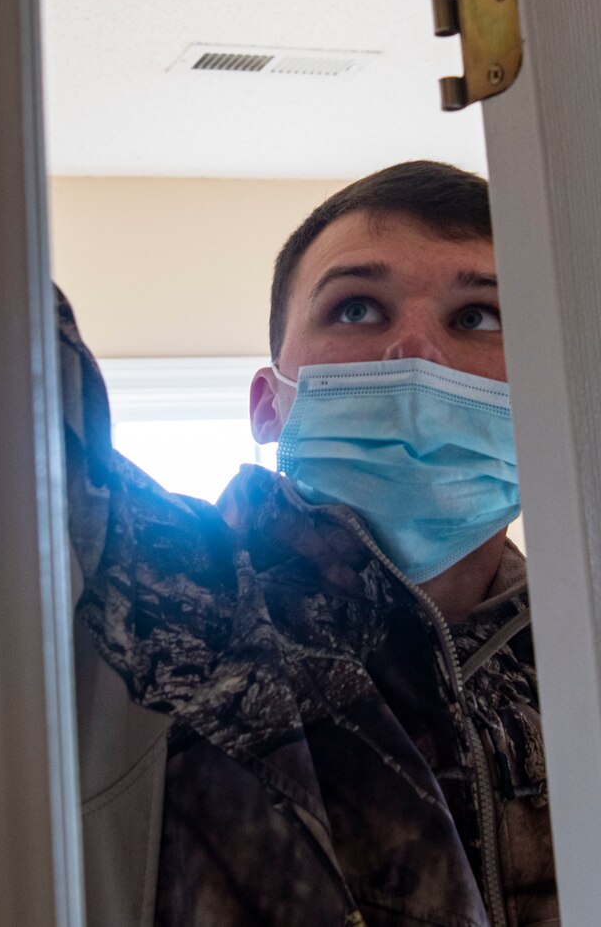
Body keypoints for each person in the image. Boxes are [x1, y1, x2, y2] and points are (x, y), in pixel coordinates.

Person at [62, 161, 556, 926]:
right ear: (268, 406)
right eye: (357, 308)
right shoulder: (160, 608)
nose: (415, 351)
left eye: (479, 316)